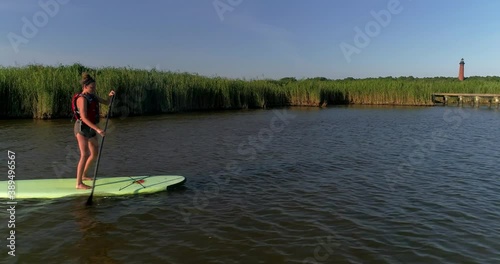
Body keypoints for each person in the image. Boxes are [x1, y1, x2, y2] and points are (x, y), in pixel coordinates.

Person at [73, 72, 115, 189]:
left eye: (95, 87)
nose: (94, 89)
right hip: (81, 128)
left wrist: (110, 96)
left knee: (94, 153)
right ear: (85, 87)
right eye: (92, 87)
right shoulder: (82, 99)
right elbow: (84, 118)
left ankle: (85, 175)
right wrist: (98, 129)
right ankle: (79, 183)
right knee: (85, 154)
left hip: (91, 128)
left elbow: (107, 103)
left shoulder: (93, 96)